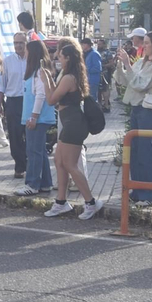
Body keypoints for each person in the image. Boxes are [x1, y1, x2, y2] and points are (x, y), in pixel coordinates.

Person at [45, 37, 102, 218]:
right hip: (69, 121)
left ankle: (91, 203)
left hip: (74, 123)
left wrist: (45, 80)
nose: (58, 59)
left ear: (68, 58)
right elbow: (57, 93)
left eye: (60, 56)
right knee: (59, 161)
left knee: (69, 164)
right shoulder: (70, 75)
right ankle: (61, 202)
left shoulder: (70, 77)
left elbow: (51, 100)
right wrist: (50, 78)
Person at [119, 30, 152, 204]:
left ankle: (149, 194)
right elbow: (128, 82)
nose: (143, 46)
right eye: (144, 42)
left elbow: (140, 85)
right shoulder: (141, 62)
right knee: (135, 150)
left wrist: (127, 65)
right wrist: (121, 66)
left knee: (146, 151)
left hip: (148, 109)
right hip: (136, 107)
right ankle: (138, 190)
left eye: (147, 43)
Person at [13, 39, 56, 197]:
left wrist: (33, 117)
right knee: (40, 151)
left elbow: (40, 95)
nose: (24, 51)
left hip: (38, 118)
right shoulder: (37, 70)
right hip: (37, 117)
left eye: (26, 49)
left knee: (33, 151)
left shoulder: (39, 71)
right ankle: (45, 183)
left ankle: (32, 183)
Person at [0, 32, 28, 180]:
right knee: (15, 136)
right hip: (13, 102)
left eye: (21, 43)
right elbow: (1, 85)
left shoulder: (33, 60)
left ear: (26, 43)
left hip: (29, 101)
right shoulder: (7, 61)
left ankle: (29, 163)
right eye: (15, 43)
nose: (18, 45)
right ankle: (19, 166)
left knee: (29, 134)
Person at [80, 38, 103, 110]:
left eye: (83, 44)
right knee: (87, 99)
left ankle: (94, 113)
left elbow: (97, 68)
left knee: (92, 99)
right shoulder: (85, 53)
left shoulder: (94, 54)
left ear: (87, 44)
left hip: (92, 80)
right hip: (87, 80)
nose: (82, 46)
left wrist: (85, 69)